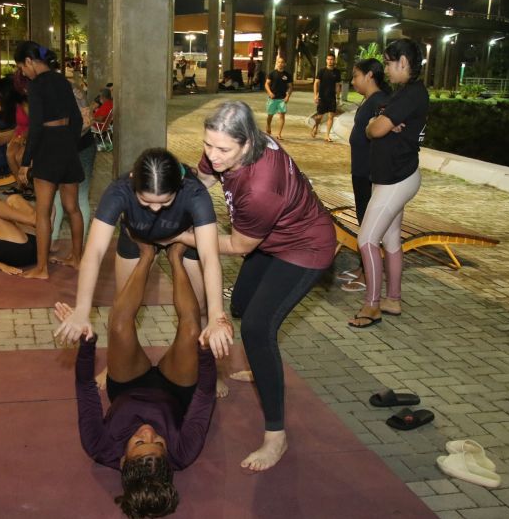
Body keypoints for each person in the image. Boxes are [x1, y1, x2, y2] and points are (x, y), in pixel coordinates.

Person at [185, 101, 336, 471]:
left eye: (223, 150)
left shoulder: (261, 185)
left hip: (305, 248)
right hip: (269, 241)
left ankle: (276, 436)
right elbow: (201, 181)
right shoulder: (222, 146)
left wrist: (183, 235)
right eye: (208, 145)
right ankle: (260, 362)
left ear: (248, 143)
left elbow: (236, 246)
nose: (213, 156)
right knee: (240, 305)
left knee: (256, 327)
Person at [57, 241, 218, 519]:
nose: (147, 432)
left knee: (118, 323)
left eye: (139, 443)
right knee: (193, 329)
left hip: (127, 387)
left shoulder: (98, 444)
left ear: (122, 458)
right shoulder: (184, 451)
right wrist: (205, 350)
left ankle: (146, 254)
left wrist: (87, 343)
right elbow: (205, 393)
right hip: (175, 391)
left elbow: (85, 389)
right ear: (168, 456)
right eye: (158, 441)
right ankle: (175, 256)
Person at [54, 148, 233, 356]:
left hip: (183, 238)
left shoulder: (195, 192)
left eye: (165, 202)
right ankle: (115, 365)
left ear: (179, 186)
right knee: (122, 307)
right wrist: (82, 311)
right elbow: (94, 253)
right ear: (133, 182)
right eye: (146, 201)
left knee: (201, 308)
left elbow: (210, 257)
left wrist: (216, 316)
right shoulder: (119, 191)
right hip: (137, 237)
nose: (155, 209)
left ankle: (210, 371)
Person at [348, 39, 428, 328]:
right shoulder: (405, 93)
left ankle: (371, 306)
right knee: (391, 240)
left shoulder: (410, 95)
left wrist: (377, 124)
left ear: (403, 61)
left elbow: (375, 129)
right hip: (393, 176)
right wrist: (380, 123)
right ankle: (392, 299)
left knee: (366, 239)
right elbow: (380, 126)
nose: (387, 69)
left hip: (396, 178)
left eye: (390, 63)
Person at [14, 41, 84, 278]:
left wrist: (25, 162)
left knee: (42, 211)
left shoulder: (36, 86)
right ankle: (77, 258)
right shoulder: (62, 80)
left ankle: (42, 268)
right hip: (67, 144)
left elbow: (35, 127)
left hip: (48, 146)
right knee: (72, 208)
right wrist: (69, 143)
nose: (23, 73)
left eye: (22, 67)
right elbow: (76, 118)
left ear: (29, 62)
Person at [339, 58, 392, 292]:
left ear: (369, 75)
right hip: (361, 170)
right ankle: (364, 268)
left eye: (355, 76)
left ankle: (371, 274)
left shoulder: (380, 102)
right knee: (364, 221)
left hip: (369, 173)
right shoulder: (370, 100)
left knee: (369, 226)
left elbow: (384, 137)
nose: (353, 81)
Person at [51, 76, 97, 244]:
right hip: (77, 146)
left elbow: (86, 121)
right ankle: (53, 239)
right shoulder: (70, 85)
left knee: (78, 197)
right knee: (57, 195)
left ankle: (78, 245)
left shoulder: (57, 87)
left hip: (80, 147)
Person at [310, 53, 342, 142]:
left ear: (334, 60)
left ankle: (327, 135)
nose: (330, 61)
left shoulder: (337, 72)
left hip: (332, 98)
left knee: (331, 116)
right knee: (319, 117)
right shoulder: (321, 71)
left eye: (332, 59)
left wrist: (338, 98)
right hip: (322, 97)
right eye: (328, 59)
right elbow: (316, 83)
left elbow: (338, 85)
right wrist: (315, 95)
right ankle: (316, 126)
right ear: (326, 60)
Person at [264, 57, 292, 140]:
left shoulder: (287, 75)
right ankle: (268, 126)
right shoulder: (272, 73)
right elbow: (266, 84)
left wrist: (287, 96)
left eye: (282, 62)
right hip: (272, 98)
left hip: (282, 99)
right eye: (279, 62)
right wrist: (269, 92)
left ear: (285, 64)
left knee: (282, 115)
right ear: (277, 63)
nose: (280, 64)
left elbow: (290, 87)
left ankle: (279, 134)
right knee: (270, 115)